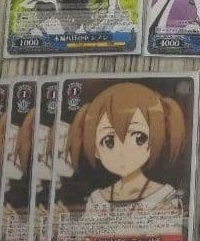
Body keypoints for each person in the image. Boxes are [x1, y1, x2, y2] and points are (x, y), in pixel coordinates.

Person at [65, 82, 187, 220]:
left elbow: (173, 232)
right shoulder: (97, 199)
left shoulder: (164, 196)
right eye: (109, 141)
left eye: (139, 138)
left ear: (156, 138)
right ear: (96, 151)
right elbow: (86, 233)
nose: (122, 151)